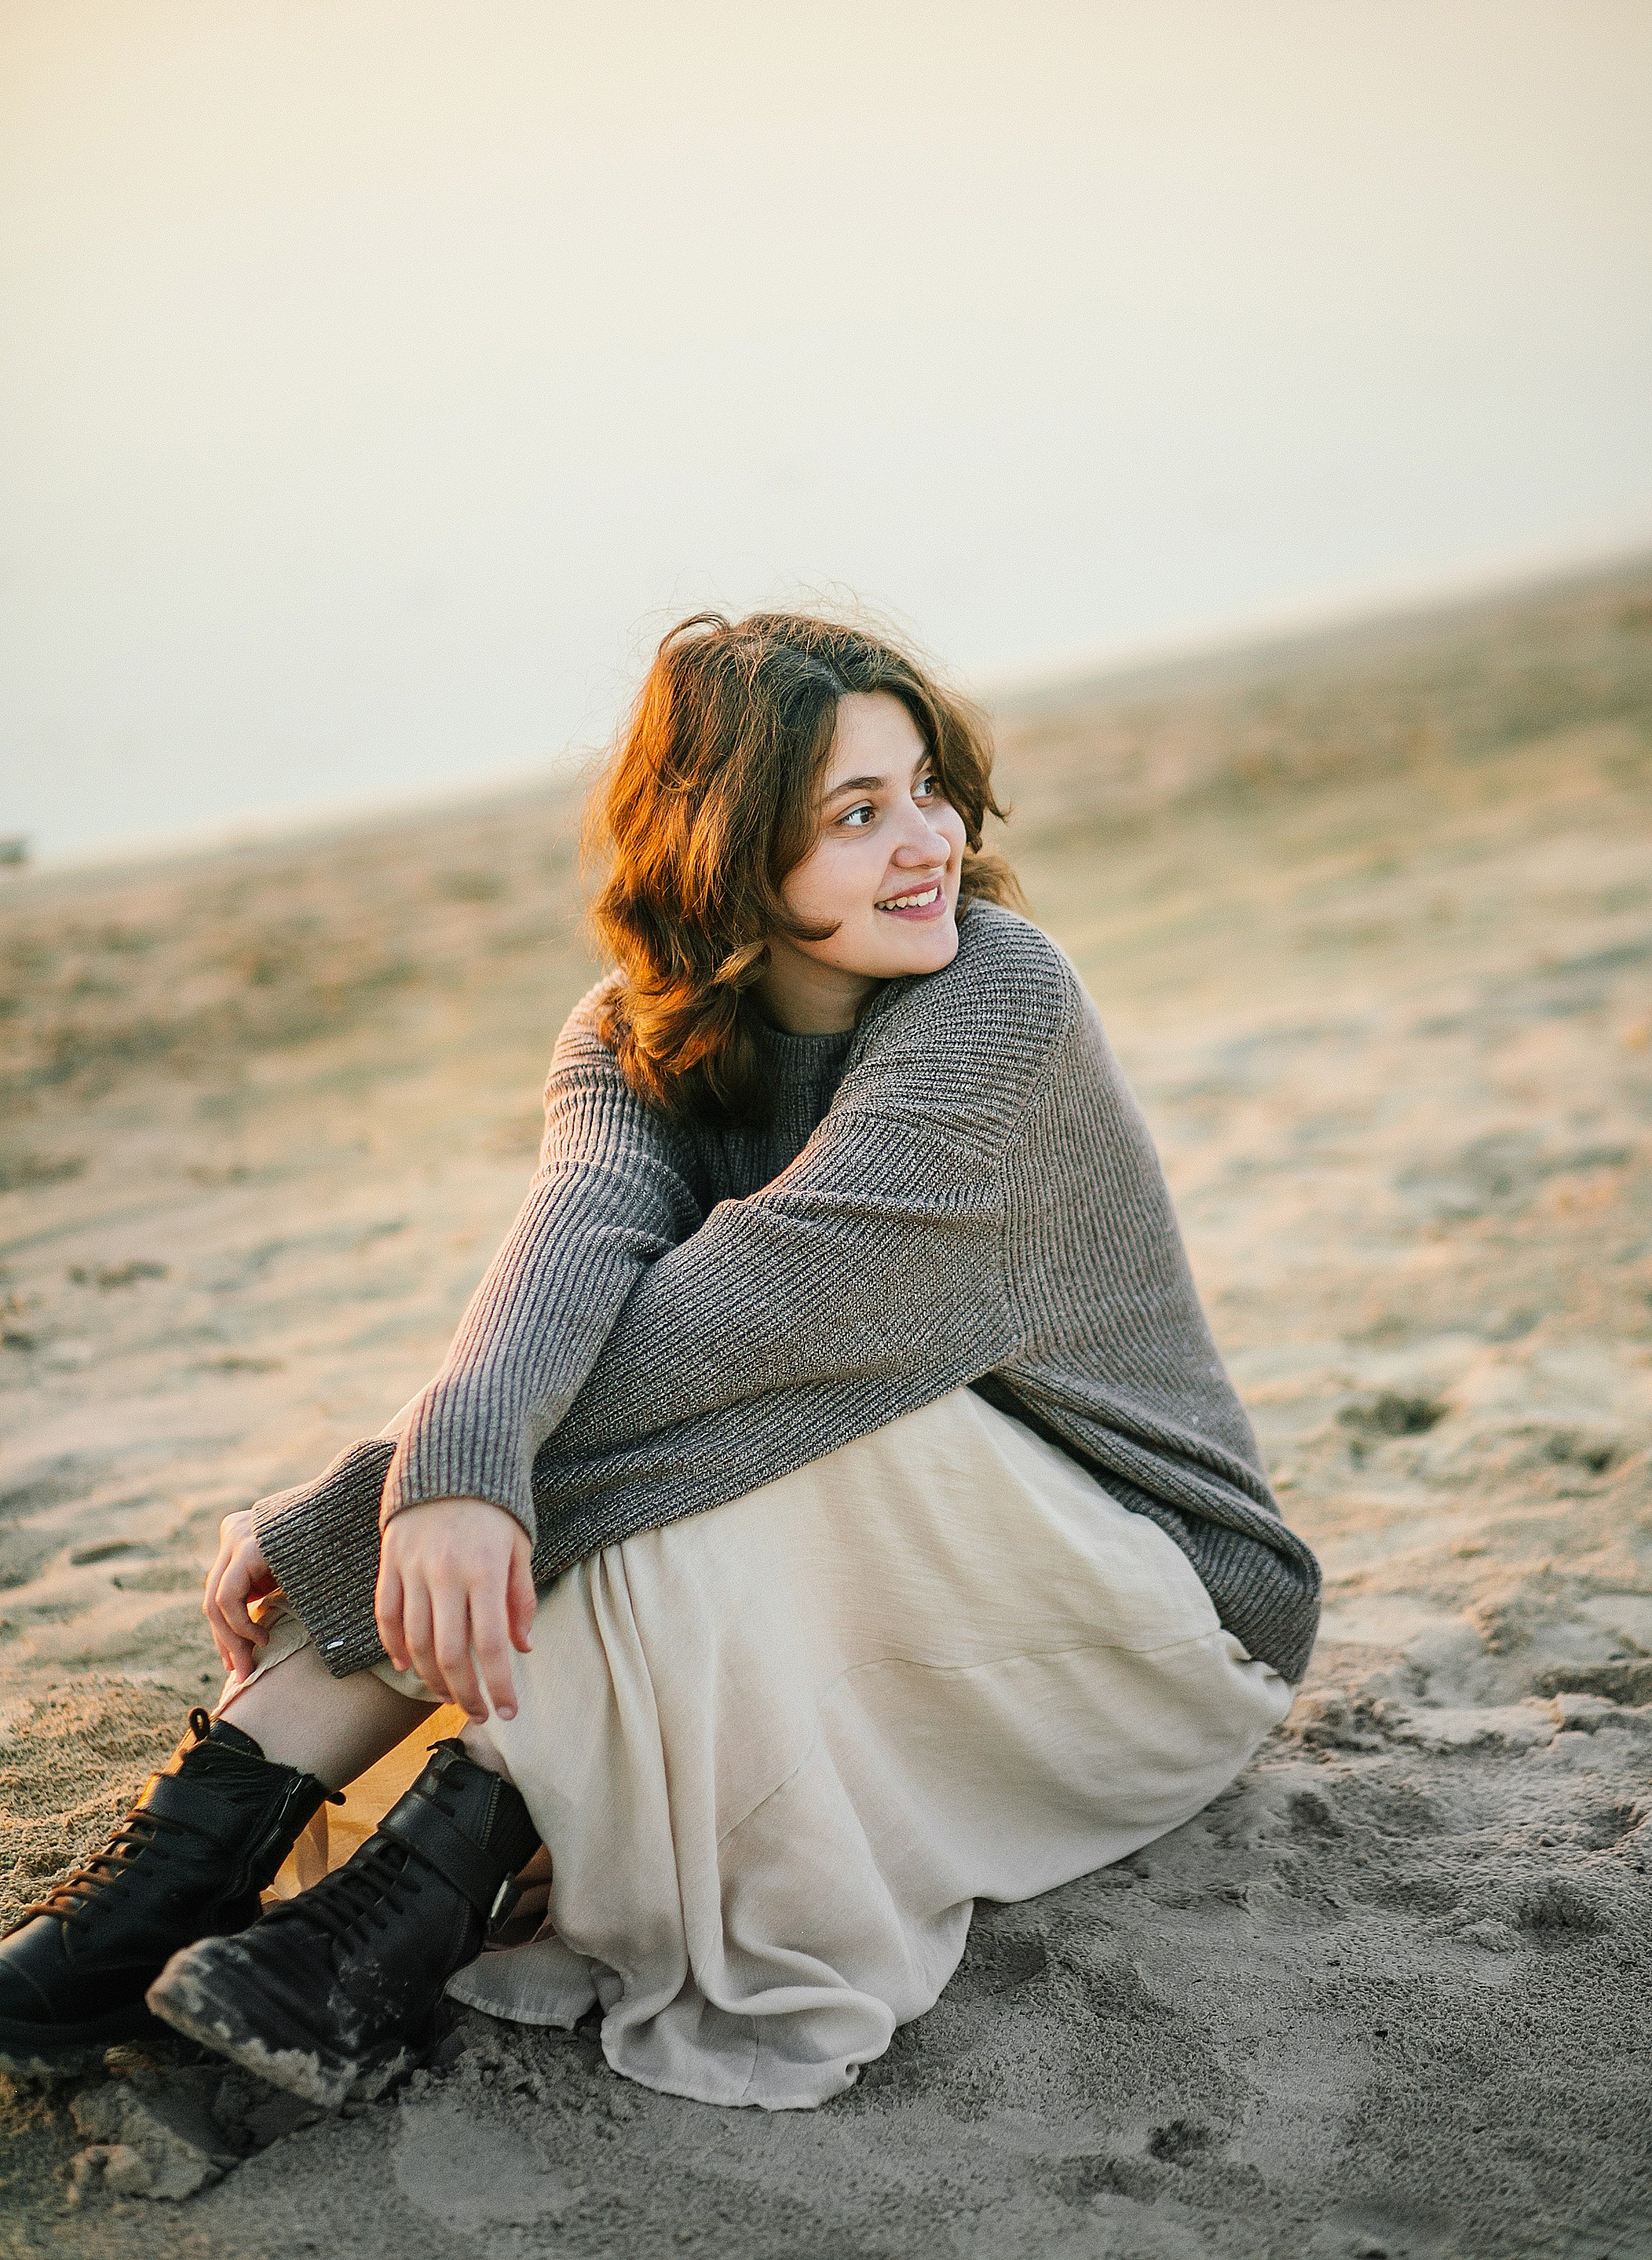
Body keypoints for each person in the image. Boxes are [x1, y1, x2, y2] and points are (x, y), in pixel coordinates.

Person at [0, 609, 1320, 2110]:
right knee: (613, 1437)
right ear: (728, 854)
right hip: (885, 1581)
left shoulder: (997, 1005)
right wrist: (441, 1482)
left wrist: (359, 1514)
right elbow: (566, 1252)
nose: (927, 842)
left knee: (754, 1444)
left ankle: (385, 1891)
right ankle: (195, 1870)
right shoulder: (633, 1033)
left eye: (926, 789)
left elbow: (735, 1333)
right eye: (855, 813)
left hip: (1157, 1630)